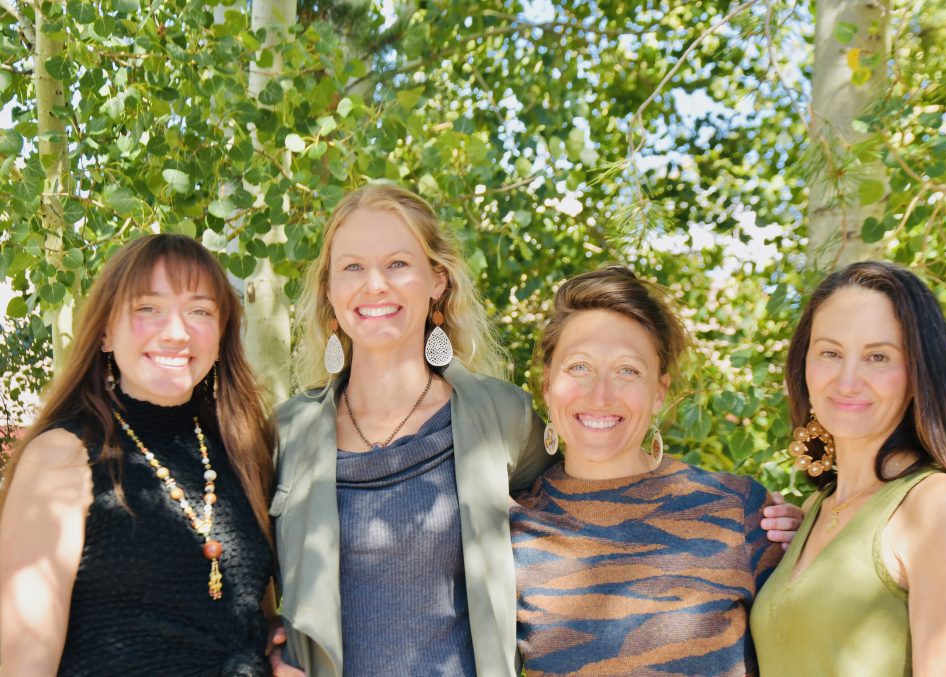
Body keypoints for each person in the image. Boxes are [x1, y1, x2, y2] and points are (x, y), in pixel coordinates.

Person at [270, 184, 802, 677]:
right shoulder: (284, 437)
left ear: (438, 280)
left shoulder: (500, 418)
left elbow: (602, 474)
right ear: (329, 289)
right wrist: (260, 647)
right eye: (353, 266)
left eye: (397, 263)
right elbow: (239, 571)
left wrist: (809, 531)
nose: (375, 284)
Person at [0, 234, 276, 675]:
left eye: (200, 311)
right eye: (148, 308)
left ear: (221, 334)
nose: (176, 332)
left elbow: (247, 619)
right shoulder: (62, 458)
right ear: (105, 332)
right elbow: (21, 663)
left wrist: (274, 649)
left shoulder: (243, 450)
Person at [510, 265, 792, 676]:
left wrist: (816, 534)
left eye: (628, 370)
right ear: (546, 386)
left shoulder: (740, 509)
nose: (601, 395)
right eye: (579, 367)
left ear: (659, 392)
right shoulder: (513, 529)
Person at [750, 261, 946, 677]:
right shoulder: (816, 508)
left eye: (878, 357)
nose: (848, 380)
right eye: (830, 353)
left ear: (919, 374)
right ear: (804, 365)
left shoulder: (938, 506)